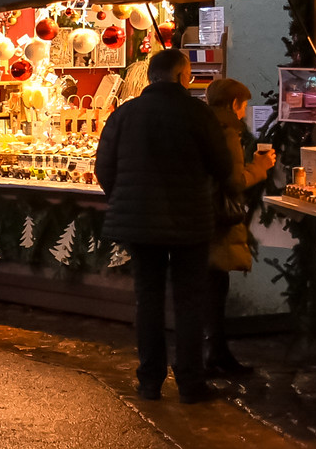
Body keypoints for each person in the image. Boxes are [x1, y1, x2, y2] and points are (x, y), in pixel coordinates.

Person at [95, 46, 233, 403]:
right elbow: (222, 165)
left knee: (148, 299)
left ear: (151, 76)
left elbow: (104, 168)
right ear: (181, 76)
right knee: (189, 301)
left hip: (139, 223)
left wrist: (126, 197)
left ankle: (149, 381)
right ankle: (190, 383)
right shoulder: (197, 114)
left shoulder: (124, 114)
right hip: (190, 221)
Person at [204, 77, 274, 379]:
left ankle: (215, 353)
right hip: (219, 220)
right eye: (243, 106)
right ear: (234, 104)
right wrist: (261, 167)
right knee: (216, 287)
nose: (244, 113)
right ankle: (217, 355)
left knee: (209, 287)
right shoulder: (227, 132)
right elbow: (234, 181)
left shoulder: (201, 125)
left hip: (200, 217)